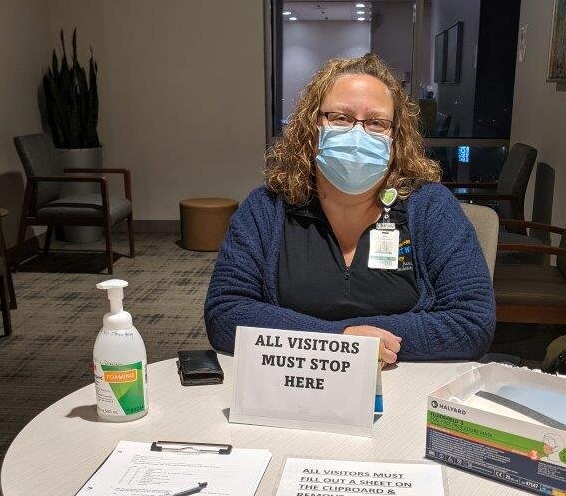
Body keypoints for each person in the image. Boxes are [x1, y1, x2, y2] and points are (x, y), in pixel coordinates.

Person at [204, 53, 495, 364]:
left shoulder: (431, 208)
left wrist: (362, 342)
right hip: (295, 385)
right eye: (340, 118)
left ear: (395, 137)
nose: (358, 135)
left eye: (376, 122)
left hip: (402, 385)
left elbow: (472, 323)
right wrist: (341, 340)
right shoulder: (266, 209)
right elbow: (225, 314)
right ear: (311, 128)